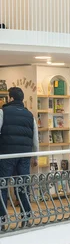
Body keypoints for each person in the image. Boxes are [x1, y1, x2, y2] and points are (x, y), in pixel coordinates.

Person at [0, 87, 39, 227]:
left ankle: (2, 221)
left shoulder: (3, 112)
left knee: (3, 187)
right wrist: (35, 157)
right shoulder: (30, 115)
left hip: (6, 155)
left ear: (10, 98)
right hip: (24, 156)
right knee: (23, 186)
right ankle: (25, 218)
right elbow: (35, 138)